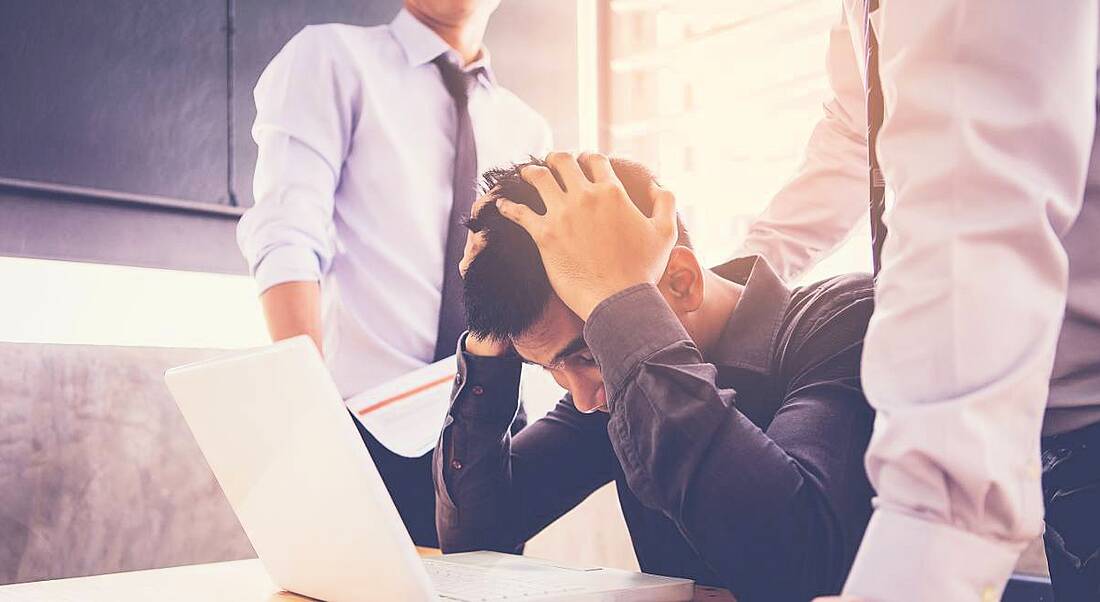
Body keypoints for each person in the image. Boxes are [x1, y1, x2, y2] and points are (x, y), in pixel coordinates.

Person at [720, 3, 1100, 600]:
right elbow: (857, 130)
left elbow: (973, 200)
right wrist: (743, 280)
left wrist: (926, 537)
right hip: (1051, 418)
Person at [435, 154, 877, 601]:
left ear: (681, 282)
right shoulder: (609, 386)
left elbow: (794, 567)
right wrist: (487, 343)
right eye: (550, 367)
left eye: (588, 355)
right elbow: (476, 543)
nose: (585, 400)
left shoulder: (847, 319)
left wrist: (623, 311)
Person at [236, 0, 551, 547]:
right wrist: (312, 419)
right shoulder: (332, 58)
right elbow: (286, 236)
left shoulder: (528, 128)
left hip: (486, 431)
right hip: (358, 431)